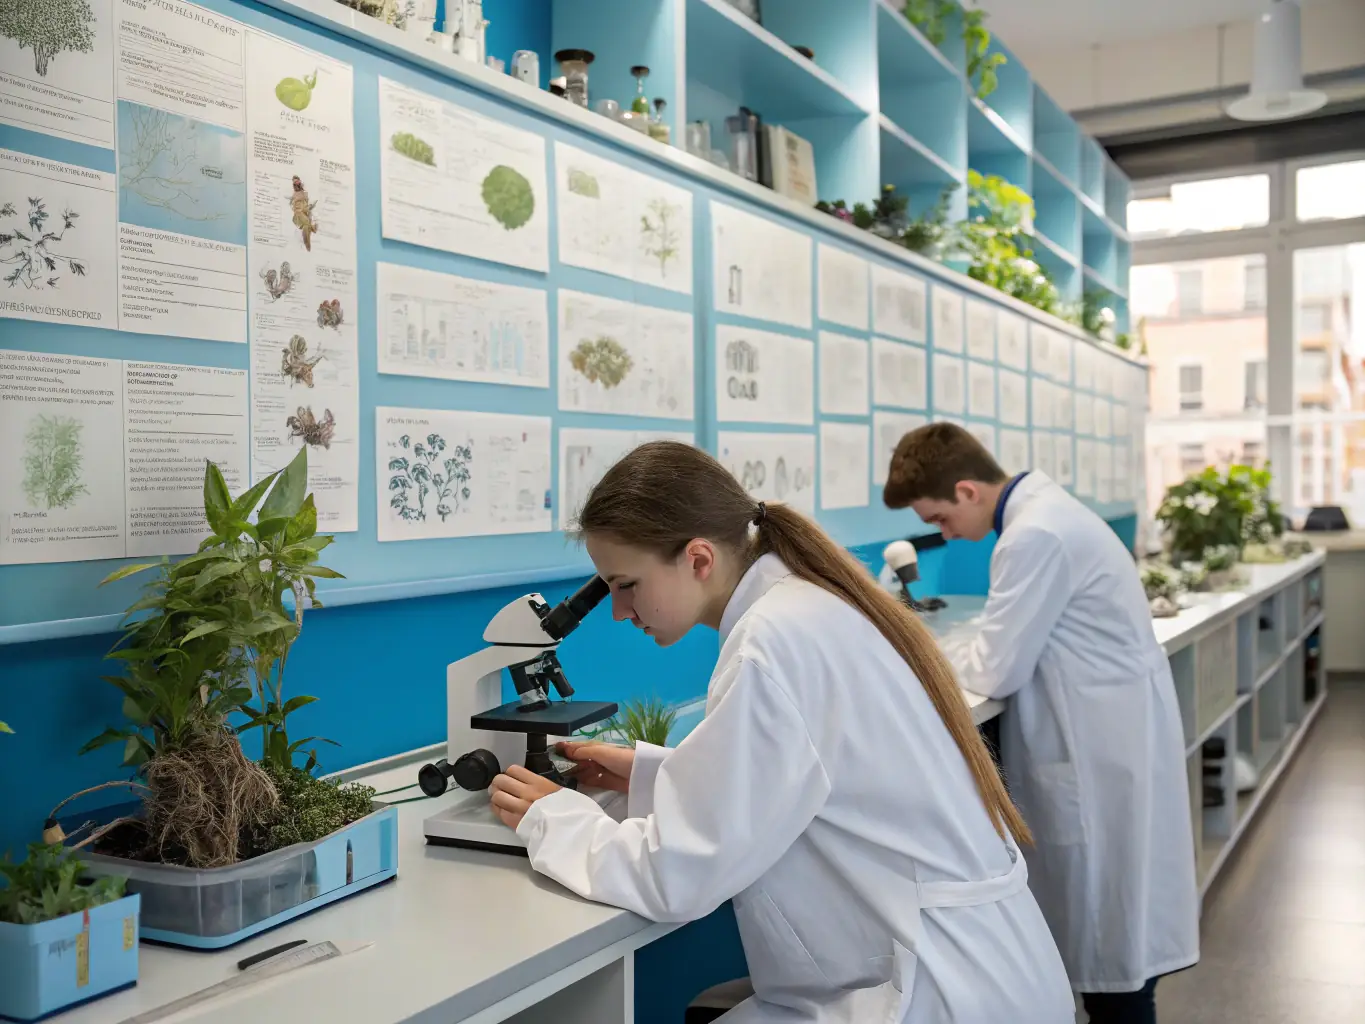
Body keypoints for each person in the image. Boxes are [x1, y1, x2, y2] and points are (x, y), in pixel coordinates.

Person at [487, 440, 1075, 1023]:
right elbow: (807, 779)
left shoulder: (771, 642)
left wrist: (555, 819)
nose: (618, 610)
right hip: (971, 965)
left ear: (697, 559)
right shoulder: (805, 606)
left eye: (625, 585)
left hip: (938, 993)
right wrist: (651, 772)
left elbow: (680, 876)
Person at [881, 422, 1199, 1024]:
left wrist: (924, 651)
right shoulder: (1051, 515)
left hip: (1094, 761)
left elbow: (995, 670)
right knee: (1117, 955)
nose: (945, 534)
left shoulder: (1033, 537)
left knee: (1114, 967)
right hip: (1110, 745)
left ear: (969, 491)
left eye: (942, 519)